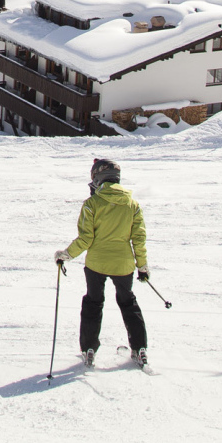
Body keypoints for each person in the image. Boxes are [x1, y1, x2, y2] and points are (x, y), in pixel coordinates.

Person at [55, 158, 149, 370]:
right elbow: (139, 240)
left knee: (93, 302)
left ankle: (89, 349)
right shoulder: (132, 205)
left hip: (96, 264)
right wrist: (142, 267)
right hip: (123, 265)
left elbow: (86, 239)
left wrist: (66, 255)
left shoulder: (92, 204)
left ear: (98, 178)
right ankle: (140, 348)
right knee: (128, 303)